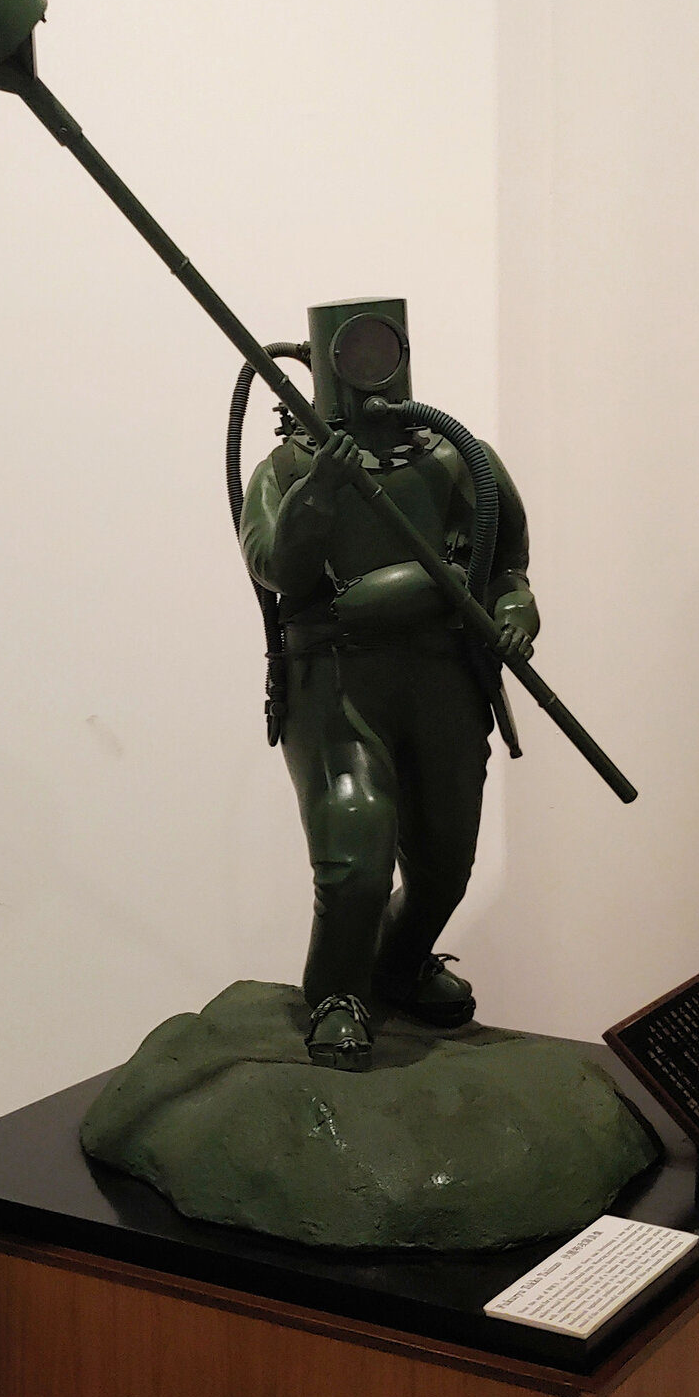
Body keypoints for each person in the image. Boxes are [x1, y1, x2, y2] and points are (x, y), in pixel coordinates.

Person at [238, 298, 538, 1070]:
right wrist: (318, 491)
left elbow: (505, 561)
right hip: (336, 685)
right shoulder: (286, 471)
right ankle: (337, 991)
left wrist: (514, 610)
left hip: (443, 680)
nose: (370, 371)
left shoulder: (457, 458)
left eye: (381, 349)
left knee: (445, 860)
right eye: (353, 353)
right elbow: (275, 566)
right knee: (355, 850)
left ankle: (399, 962)